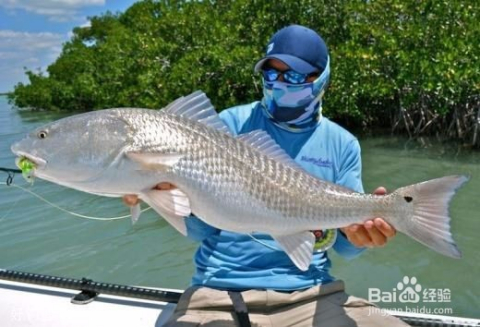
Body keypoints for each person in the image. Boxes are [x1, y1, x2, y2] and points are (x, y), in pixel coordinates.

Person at [124, 25, 408, 326]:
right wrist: (159, 194)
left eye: (295, 75)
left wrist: (362, 237)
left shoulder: (342, 143)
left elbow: (345, 248)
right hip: (219, 295)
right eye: (272, 74)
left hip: (313, 295)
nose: (280, 84)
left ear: (322, 77)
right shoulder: (229, 125)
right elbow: (200, 232)